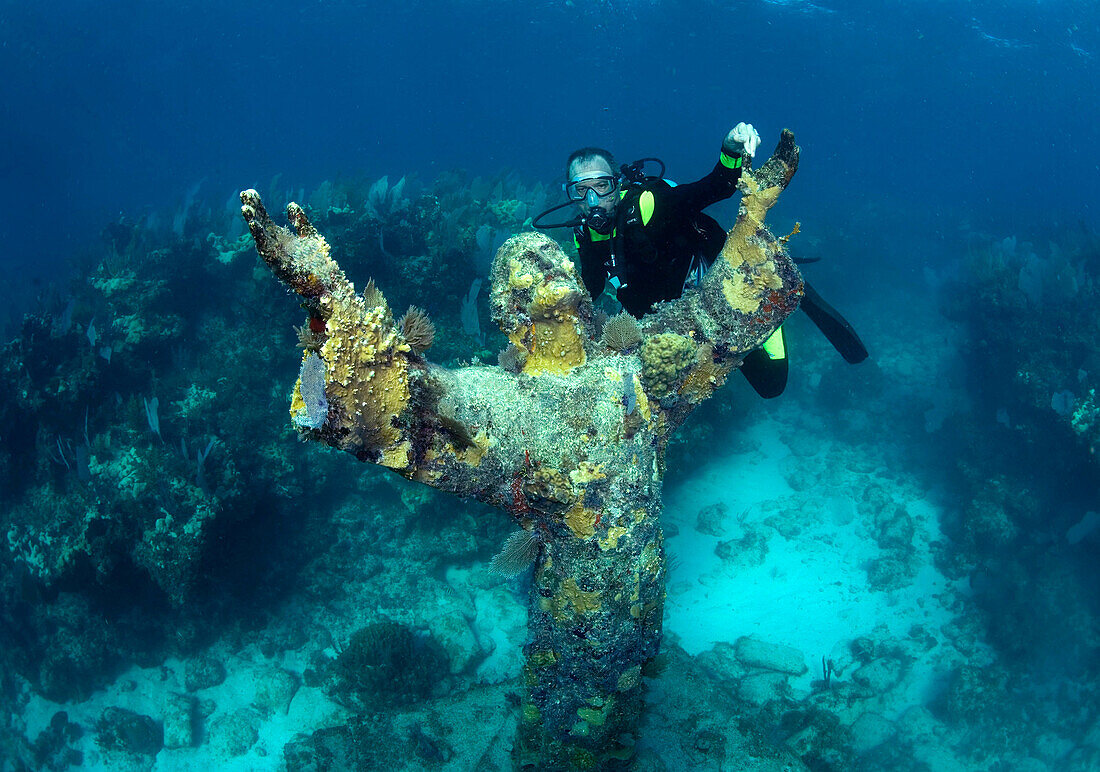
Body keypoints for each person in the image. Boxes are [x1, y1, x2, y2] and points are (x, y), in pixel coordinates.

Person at [534, 122, 867, 398]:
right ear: (569, 193)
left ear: (616, 185)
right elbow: (591, 287)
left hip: (720, 292)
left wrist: (730, 149)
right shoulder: (585, 234)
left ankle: (771, 307)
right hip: (667, 317)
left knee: (771, 386)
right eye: (581, 190)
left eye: (602, 186)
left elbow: (715, 188)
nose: (593, 200)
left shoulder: (649, 203)